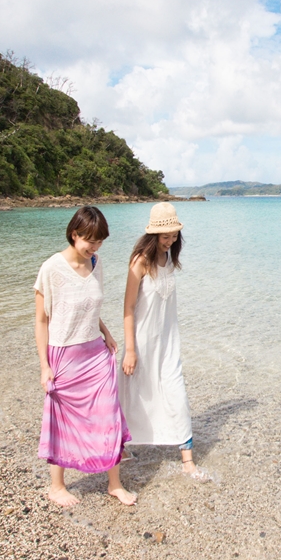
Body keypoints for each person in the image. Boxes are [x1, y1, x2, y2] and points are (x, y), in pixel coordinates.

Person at [34, 206, 136, 507]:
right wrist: (44, 366)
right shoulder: (51, 268)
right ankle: (56, 486)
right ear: (74, 233)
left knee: (109, 417)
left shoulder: (96, 263)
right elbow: (41, 321)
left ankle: (114, 484)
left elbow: (92, 305)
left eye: (100, 241)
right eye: (90, 240)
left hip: (95, 353)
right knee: (61, 419)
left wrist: (105, 331)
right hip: (64, 356)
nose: (94, 247)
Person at [121, 202, 204, 478]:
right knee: (133, 395)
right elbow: (128, 308)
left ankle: (187, 458)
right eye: (165, 236)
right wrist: (130, 350)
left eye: (174, 235)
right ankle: (120, 447)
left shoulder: (170, 259)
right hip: (142, 343)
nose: (170, 241)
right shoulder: (140, 262)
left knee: (176, 392)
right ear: (153, 235)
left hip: (168, 342)